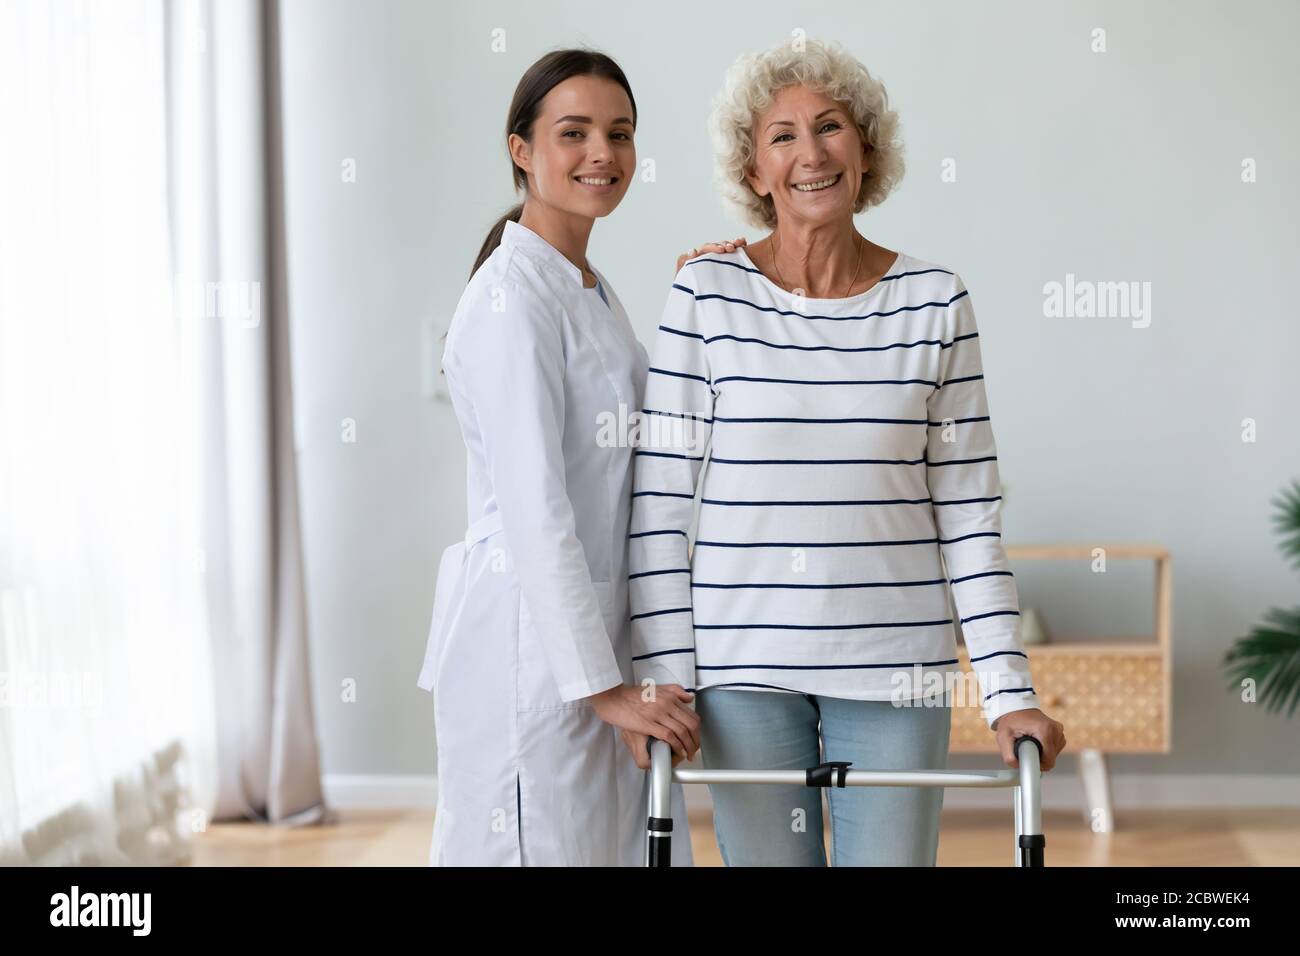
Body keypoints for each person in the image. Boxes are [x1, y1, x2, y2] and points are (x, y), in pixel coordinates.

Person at [628, 38, 1066, 866]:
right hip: (742, 672)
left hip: (898, 671)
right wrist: (663, 681)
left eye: (830, 127)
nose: (810, 154)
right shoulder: (705, 295)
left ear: (865, 150)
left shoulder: (937, 301)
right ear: (754, 171)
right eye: (782, 136)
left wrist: (1010, 693)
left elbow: (970, 515)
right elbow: (657, 509)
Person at [418, 49, 714, 866]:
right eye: (573, 133)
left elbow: (648, 439)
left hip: (591, 634)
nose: (602, 155)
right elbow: (536, 508)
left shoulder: (587, 286)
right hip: (533, 649)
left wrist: (699, 301)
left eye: (619, 134)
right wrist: (603, 688)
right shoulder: (512, 299)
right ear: (522, 149)